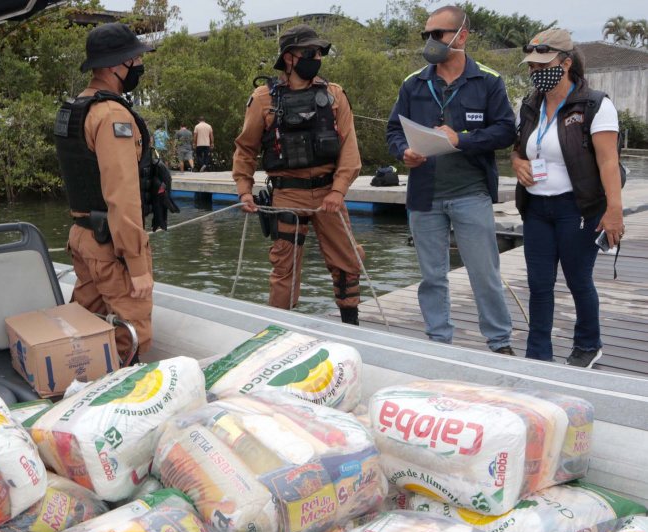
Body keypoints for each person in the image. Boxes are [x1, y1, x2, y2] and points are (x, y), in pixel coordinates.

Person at [386, 6, 516, 354]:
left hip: (470, 192)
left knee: (484, 274)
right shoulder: (413, 83)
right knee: (432, 277)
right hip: (424, 195)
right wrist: (403, 153)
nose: (430, 41)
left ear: (461, 36)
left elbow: (506, 130)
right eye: (426, 34)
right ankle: (438, 342)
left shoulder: (489, 80)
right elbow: (394, 130)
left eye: (437, 34)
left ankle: (500, 342)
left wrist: (462, 139)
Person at [53, 23, 176, 364]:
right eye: (134, 58)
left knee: (85, 324)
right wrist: (136, 264)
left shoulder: (77, 107)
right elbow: (122, 194)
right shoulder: (111, 115)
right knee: (132, 338)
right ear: (113, 66)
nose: (138, 65)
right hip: (111, 245)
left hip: (83, 235)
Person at [234, 24, 365, 325]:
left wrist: (338, 191)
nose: (317, 57)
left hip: (328, 193)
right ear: (289, 58)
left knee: (347, 261)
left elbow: (350, 151)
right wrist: (244, 189)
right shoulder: (263, 98)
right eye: (310, 52)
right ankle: (278, 329)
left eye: (319, 53)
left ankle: (351, 326)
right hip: (287, 194)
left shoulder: (334, 95)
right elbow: (246, 149)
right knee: (284, 266)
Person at [511, 29, 625, 368]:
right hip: (536, 208)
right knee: (539, 285)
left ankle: (588, 345)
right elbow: (520, 151)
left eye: (542, 64)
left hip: (577, 208)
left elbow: (608, 162)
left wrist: (614, 211)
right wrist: (517, 164)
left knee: (578, 280)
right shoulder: (529, 104)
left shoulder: (595, 104)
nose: (535, 71)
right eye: (531, 65)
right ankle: (538, 354)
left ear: (566, 63)